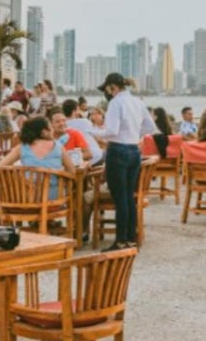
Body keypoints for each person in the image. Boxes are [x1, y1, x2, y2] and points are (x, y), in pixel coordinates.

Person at [96, 73, 156, 250]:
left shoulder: (115, 102)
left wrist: (94, 132)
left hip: (117, 150)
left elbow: (111, 131)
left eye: (107, 90)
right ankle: (131, 238)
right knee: (129, 196)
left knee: (120, 198)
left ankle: (120, 240)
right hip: (133, 151)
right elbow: (150, 127)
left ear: (112, 87)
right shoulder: (137, 101)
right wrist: (133, 134)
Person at [0, 116, 76, 200]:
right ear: (44, 132)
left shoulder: (22, 148)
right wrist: (58, 173)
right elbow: (72, 172)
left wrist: (18, 176)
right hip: (53, 200)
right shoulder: (58, 147)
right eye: (51, 128)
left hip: (27, 199)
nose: (53, 130)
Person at [61, 99, 104, 165]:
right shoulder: (85, 122)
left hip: (75, 161)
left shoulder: (62, 126)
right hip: (94, 158)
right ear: (75, 111)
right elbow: (97, 138)